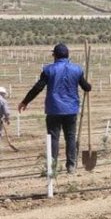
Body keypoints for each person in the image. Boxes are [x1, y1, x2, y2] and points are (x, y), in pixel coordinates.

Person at [18, 44, 92, 174]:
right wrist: (89, 86)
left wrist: (25, 101)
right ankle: (71, 166)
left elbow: (38, 88)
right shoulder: (77, 70)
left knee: (53, 138)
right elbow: (85, 87)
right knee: (70, 137)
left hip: (54, 109)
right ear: (68, 55)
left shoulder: (48, 70)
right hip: (71, 109)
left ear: (54, 55)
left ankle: (52, 167)